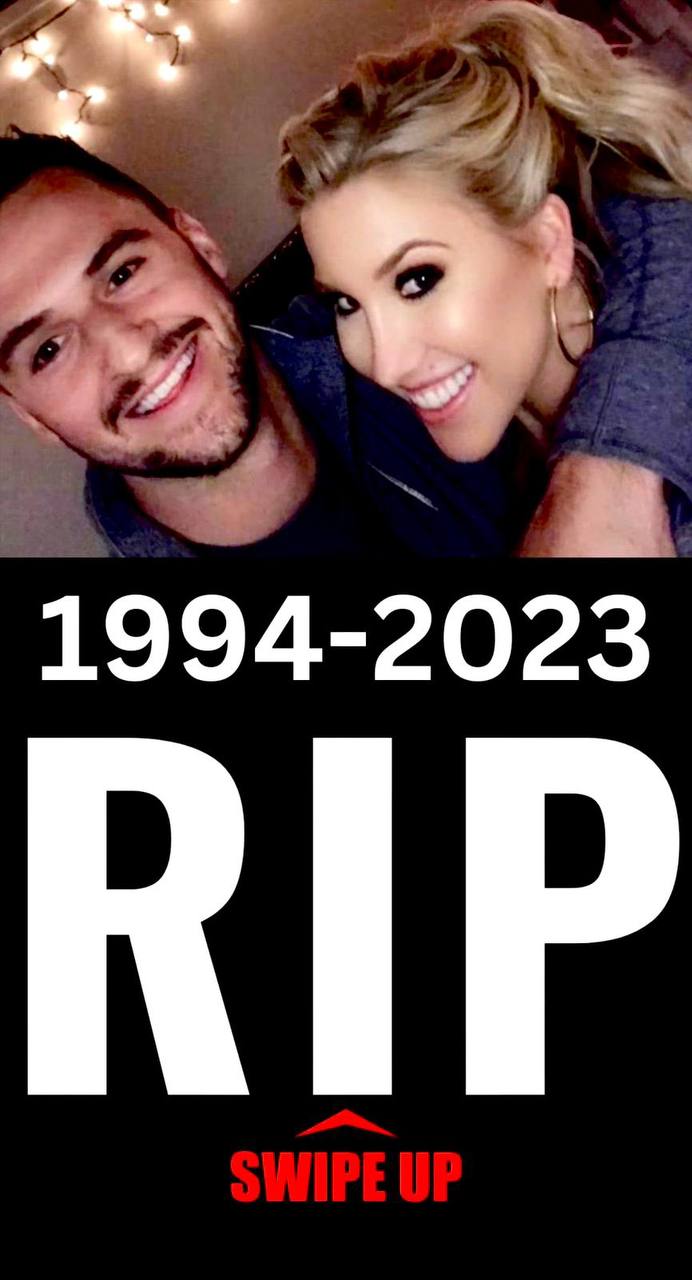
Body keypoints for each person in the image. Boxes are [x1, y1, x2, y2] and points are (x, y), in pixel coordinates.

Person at [278, 0, 692, 555]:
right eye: (346, 303)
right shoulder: (504, 446)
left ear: (548, 242)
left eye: (418, 280)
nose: (386, 364)